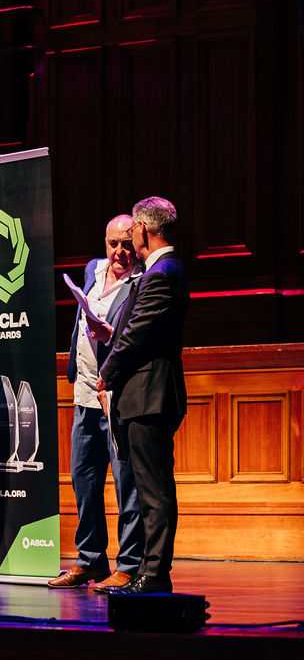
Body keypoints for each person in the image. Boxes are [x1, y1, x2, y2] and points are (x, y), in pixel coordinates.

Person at [96, 197, 189, 594]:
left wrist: (106, 374)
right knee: (150, 488)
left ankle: (154, 574)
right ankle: (150, 572)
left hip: (150, 395)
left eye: (132, 229)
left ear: (143, 230)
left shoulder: (162, 273)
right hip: (146, 395)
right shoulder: (162, 270)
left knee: (154, 490)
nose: (131, 237)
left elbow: (138, 334)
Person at [49, 214, 144, 591]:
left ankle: (130, 564)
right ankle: (90, 559)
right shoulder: (93, 269)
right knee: (83, 479)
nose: (119, 252)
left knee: (126, 484)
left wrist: (109, 334)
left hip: (117, 396)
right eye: (112, 243)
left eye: (126, 244)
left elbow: (137, 337)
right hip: (85, 396)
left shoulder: (142, 281)